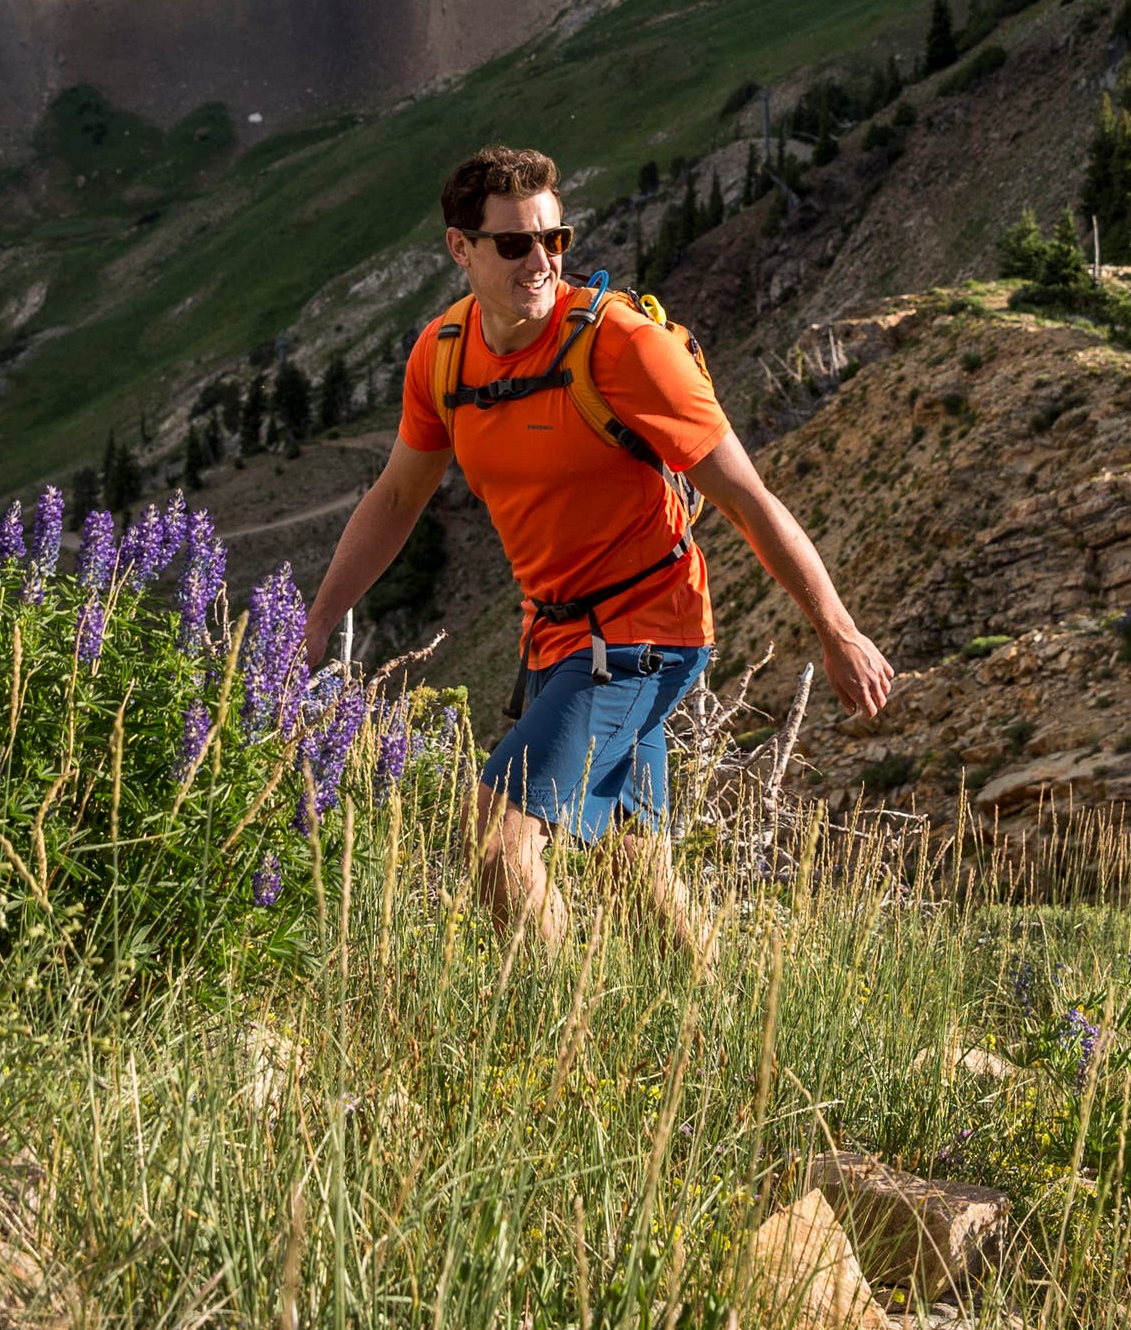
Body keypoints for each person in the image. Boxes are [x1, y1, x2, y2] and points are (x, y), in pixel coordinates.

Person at [298, 145, 894, 952]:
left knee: (498, 833)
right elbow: (398, 495)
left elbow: (748, 500)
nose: (541, 260)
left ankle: (560, 1050)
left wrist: (837, 627)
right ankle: (720, 1044)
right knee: (634, 870)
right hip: (554, 635)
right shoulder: (441, 357)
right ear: (460, 248)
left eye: (555, 238)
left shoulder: (625, 350)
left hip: (647, 632)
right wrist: (323, 613)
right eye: (514, 243)